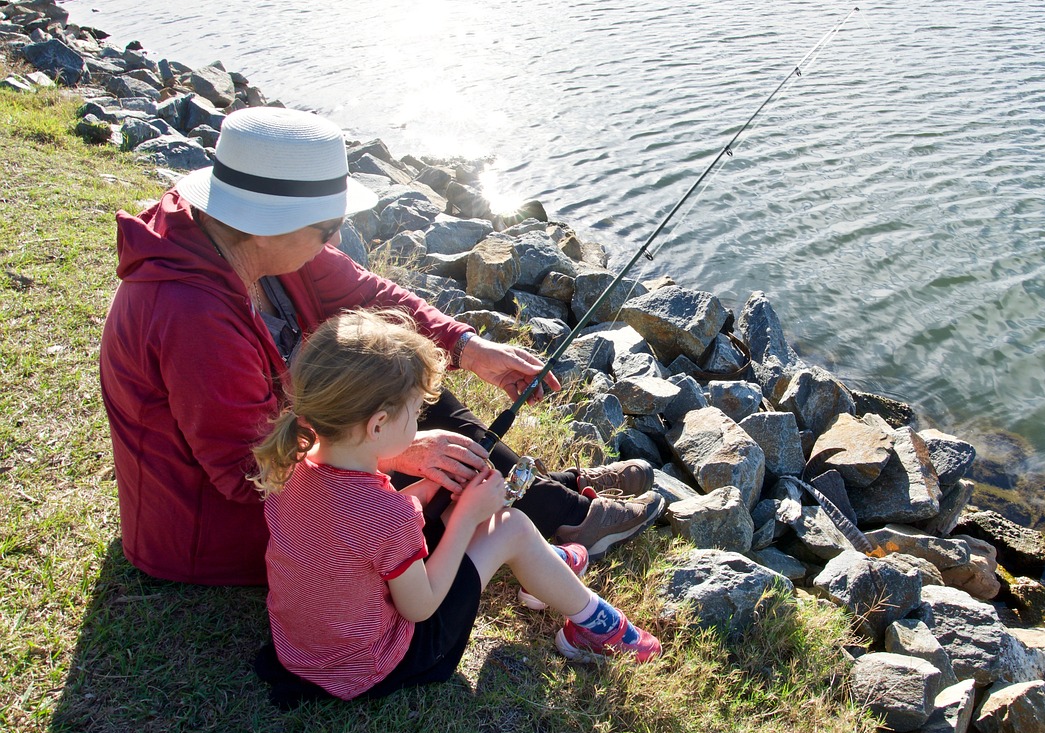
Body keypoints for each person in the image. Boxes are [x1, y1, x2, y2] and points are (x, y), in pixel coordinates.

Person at [99, 106, 664, 586]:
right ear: (269, 223)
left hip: (278, 462)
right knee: (405, 437)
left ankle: (551, 499)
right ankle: (557, 509)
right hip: (215, 530)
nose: (336, 242)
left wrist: (468, 347)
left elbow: (372, 295)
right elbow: (248, 473)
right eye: (325, 230)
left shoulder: (240, 241)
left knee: (401, 381)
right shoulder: (190, 316)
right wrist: (395, 454)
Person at [251, 309, 660, 703]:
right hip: (377, 666)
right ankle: (593, 627)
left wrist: (429, 489)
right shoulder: (386, 517)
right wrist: (466, 517)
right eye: (415, 415)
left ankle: (544, 566)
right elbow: (419, 605)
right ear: (377, 425)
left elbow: (355, 535)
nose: (419, 427)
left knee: (454, 508)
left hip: (302, 655)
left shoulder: (290, 471)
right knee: (510, 526)